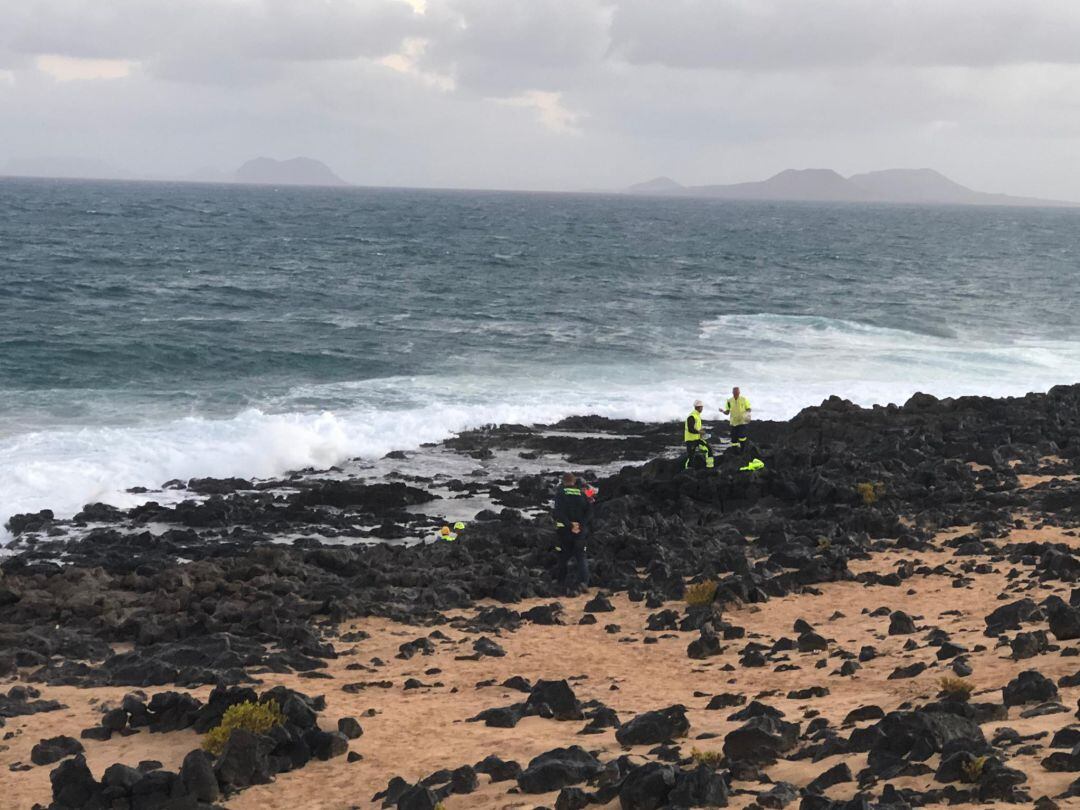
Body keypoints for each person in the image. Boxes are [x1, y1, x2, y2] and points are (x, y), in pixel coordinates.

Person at [553, 472, 591, 594]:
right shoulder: (582, 493)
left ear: (563, 482)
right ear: (574, 482)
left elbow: (559, 512)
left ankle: (561, 582)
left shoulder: (560, 493)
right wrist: (581, 525)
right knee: (581, 556)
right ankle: (584, 583)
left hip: (565, 530)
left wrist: (570, 525)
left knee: (563, 557)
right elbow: (590, 512)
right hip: (580, 531)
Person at [684, 399, 710, 468]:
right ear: (698, 407)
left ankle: (709, 466)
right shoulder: (692, 416)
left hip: (697, 439)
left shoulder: (697, 415)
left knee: (708, 449)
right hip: (690, 440)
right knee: (691, 456)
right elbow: (690, 429)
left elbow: (697, 428)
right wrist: (699, 432)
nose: (702, 408)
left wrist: (701, 433)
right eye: (701, 407)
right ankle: (688, 470)